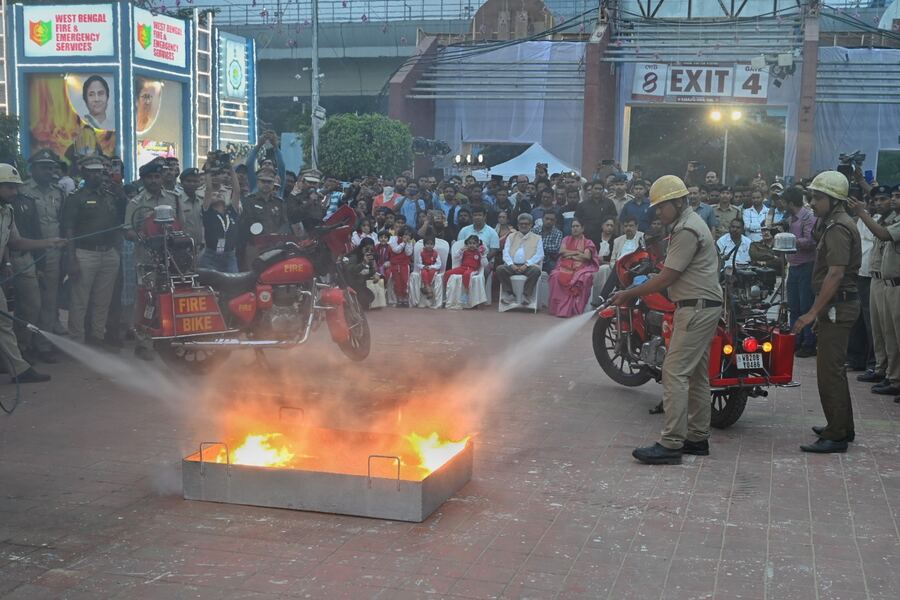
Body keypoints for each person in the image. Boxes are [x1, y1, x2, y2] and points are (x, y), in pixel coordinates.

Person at [609, 175, 723, 465]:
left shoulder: (686, 228)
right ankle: (697, 439)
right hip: (703, 305)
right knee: (696, 374)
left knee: (673, 372)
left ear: (678, 201)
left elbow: (668, 277)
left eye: (662, 206)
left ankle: (672, 443)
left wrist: (629, 292)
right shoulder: (690, 224)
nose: (658, 212)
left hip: (695, 307)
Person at [793, 171, 861, 453]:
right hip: (838, 306)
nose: (812, 203)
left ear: (834, 200)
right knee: (835, 371)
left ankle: (836, 435)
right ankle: (842, 426)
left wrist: (811, 313)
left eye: (818, 198)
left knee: (829, 372)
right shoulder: (833, 223)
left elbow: (834, 274)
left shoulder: (837, 229)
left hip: (837, 306)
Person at [0, 164, 65, 382]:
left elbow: (15, 242)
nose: (15, 192)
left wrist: (48, 242)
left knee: (4, 323)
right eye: (9, 187)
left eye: (16, 187)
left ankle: (18, 369)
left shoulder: (7, 211)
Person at [62, 156, 123, 346]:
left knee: (102, 300)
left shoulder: (110, 196)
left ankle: (97, 337)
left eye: (99, 171)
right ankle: (76, 341)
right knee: (79, 301)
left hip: (109, 253)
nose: (96, 174)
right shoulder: (75, 198)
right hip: (84, 253)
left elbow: (118, 223)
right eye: (92, 171)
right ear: (83, 173)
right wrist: (71, 259)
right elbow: (68, 230)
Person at [848, 186, 900, 399]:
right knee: (884, 333)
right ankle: (888, 373)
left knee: (895, 335)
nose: (893, 200)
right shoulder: (891, 218)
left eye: (896, 197)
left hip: (895, 284)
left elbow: (882, 234)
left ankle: (894, 377)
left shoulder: (892, 223)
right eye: (894, 196)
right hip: (881, 280)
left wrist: (862, 212)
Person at [20, 149, 67, 335]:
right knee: (29, 302)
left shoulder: (59, 192)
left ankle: (43, 344)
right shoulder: (22, 190)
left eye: (51, 168)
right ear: (33, 169)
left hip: (52, 254)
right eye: (43, 168)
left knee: (49, 299)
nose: (48, 172)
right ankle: (25, 342)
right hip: (26, 253)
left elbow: (62, 222)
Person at [783, 187, 818, 358]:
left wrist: (789, 240)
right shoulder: (791, 218)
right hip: (794, 266)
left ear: (790, 202)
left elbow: (811, 241)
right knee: (794, 307)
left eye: (784, 202)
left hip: (806, 266)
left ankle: (809, 343)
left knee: (806, 306)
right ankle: (795, 340)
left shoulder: (807, 216)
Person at [547, 218, 600, 317]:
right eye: (573, 226)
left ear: (582, 228)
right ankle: (556, 309)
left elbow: (586, 257)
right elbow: (562, 252)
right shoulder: (566, 239)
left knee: (582, 278)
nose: (574, 228)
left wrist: (569, 254)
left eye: (577, 226)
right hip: (564, 265)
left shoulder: (588, 242)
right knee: (555, 275)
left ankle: (572, 310)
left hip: (581, 267)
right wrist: (577, 252)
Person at [198, 162, 242, 273]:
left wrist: (231, 169)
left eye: (220, 194)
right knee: (212, 287)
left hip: (230, 255)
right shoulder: (208, 213)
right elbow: (208, 189)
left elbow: (237, 190)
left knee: (233, 283)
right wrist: (208, 171)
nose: (218, 194)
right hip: (211, 256)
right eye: (214, 195)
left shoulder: (231, 211)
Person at [239, 166, 285, 268]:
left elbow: (284, 223)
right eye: (263, 181)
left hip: (275, 246)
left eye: (269, 182)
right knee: (253, 277)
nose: (266, 184)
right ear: (258, 182)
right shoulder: (249, 201)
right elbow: (247, 222)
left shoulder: (279, 203)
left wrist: (279, 237)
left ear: (273, 183)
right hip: (255, 245)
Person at [496, 213, 543, 306]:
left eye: (526, 224)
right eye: (521, 224)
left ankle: (526, 295)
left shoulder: (537, 238)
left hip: (528, 267)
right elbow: (505, 253)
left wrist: (526, 265)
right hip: (512, 266)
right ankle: (510, 294)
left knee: (536, 271)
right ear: (518, 225)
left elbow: (540, 255)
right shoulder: (511, 236)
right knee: (500, 269)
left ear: (531, 225)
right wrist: (511, 264)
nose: (523, 225)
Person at [576, 182, 617, 248]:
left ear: (603, 190)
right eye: (596, 188)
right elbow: (578, 221)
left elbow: (614, 220)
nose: (598, 191)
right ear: (591, 189)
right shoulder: (582, 205)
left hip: (605, 239)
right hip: (587, 238)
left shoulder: (609, 203)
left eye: (600, 189)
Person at [178, 168, 205, 251]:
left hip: (201, 246)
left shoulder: (202, 200)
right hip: (183, 247)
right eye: (188, 181)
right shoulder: (177, 200)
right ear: (182, 183)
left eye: (195, 181)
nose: (192, 184)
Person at [388, 227, 414, 307]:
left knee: (405, 281)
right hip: (395, 265)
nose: (407, 237)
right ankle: (399, 299)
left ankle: (405, 299)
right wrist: (403, 243)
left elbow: (408, 253)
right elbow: (396, 250)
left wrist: (407, 243)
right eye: (405, 235)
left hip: (404, 266)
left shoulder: (410, 243)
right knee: (397, 282)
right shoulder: (394, 240)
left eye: (409, 235)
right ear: (401, 235)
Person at [416, 236, 442, 302]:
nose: (429, 246)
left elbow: (439, 264)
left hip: (433, 268)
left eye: (431, 244)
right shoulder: (421, 253)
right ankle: (429, 290)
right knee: (424, 272)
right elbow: (418, 263)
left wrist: (431, 267)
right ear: (424, 245)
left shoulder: (435, 253)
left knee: (431, 272)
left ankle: (426, 288)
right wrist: (423, 266)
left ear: (434, 245)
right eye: (427, 244)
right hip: (424, 267)